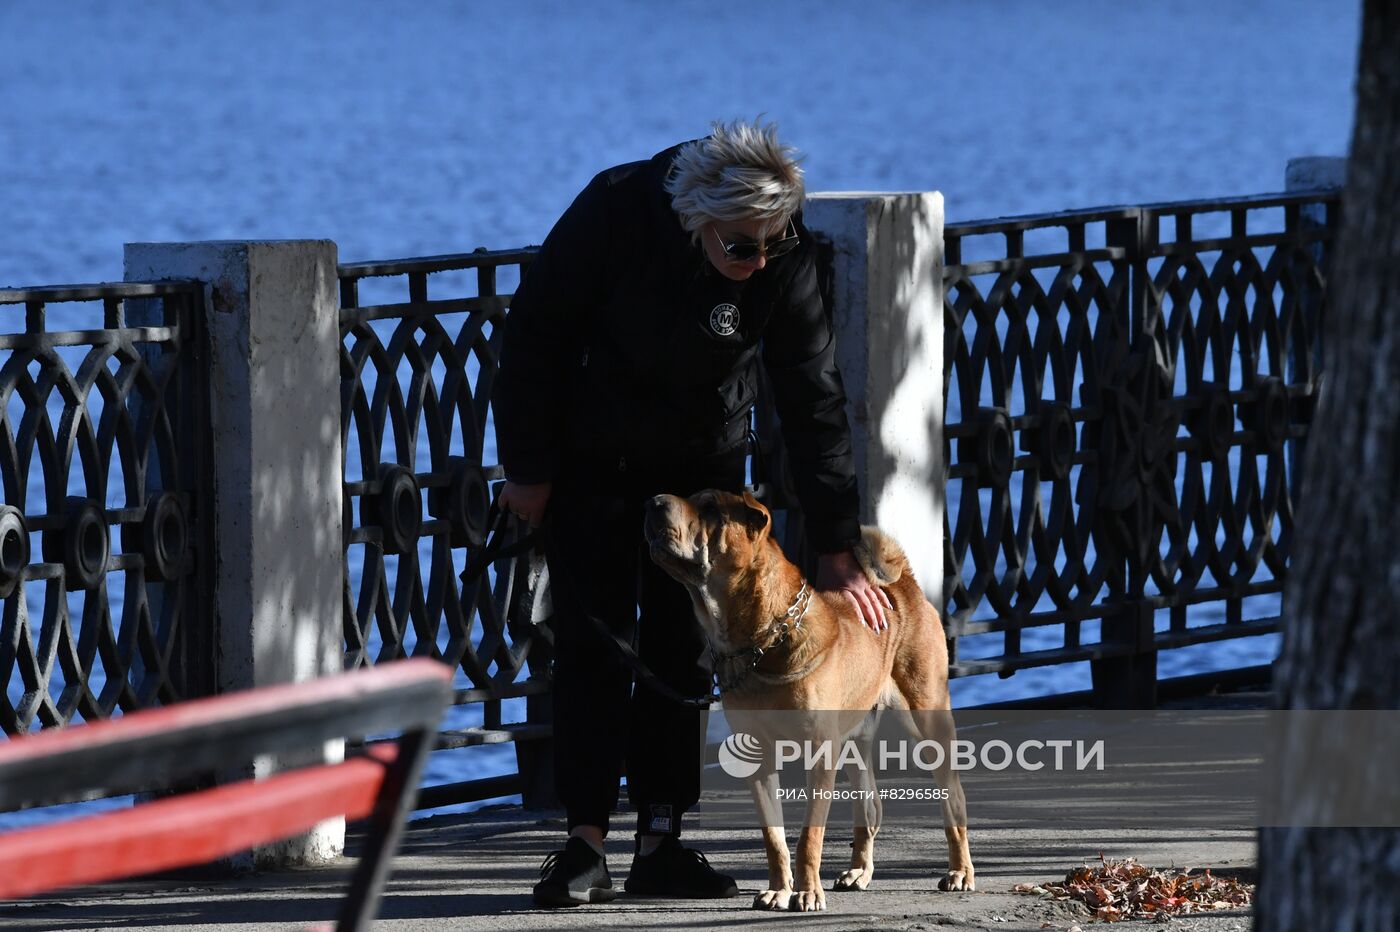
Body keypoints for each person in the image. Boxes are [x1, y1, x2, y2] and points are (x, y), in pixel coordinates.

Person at [494, 119, 890, 908]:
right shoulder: (613, 210)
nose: (759, 262)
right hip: (593, 466)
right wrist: (530, 471)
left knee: (684, 654)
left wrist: (839, 545)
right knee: (594, 646)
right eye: (740, 246)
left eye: (772, 243)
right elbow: (532, 340)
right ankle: (584, 844)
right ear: (693, 218)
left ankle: (662, 839)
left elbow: (813, 398)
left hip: (701, 476)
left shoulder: (779, 254)